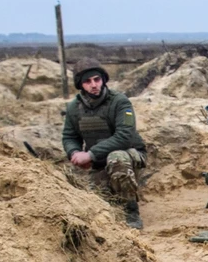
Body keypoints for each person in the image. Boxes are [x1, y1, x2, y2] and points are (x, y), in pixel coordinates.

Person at [61, 58, 148, 229]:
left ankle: (131, 211)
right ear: (81, 85)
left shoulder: (119, 102)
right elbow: (69, 136)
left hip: (129, 156)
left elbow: (125, 136)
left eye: (97, 79)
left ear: (103, 80)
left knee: (117, 157)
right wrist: (74, 153)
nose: (93, 85)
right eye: (87, 81)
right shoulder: (74, 108)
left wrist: (90, 154)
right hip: (99, 162)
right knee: (100, 204)